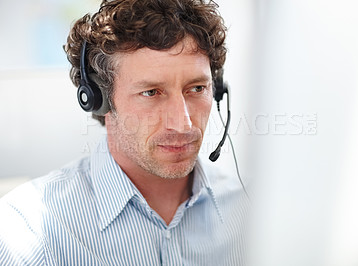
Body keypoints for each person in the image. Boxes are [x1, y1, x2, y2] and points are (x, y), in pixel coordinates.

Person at [0, 0, 247, 265]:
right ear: (98, 99)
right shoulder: (28, 232)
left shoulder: (252, 209)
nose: (183, 124)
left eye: (197, 88)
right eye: (151, 93)